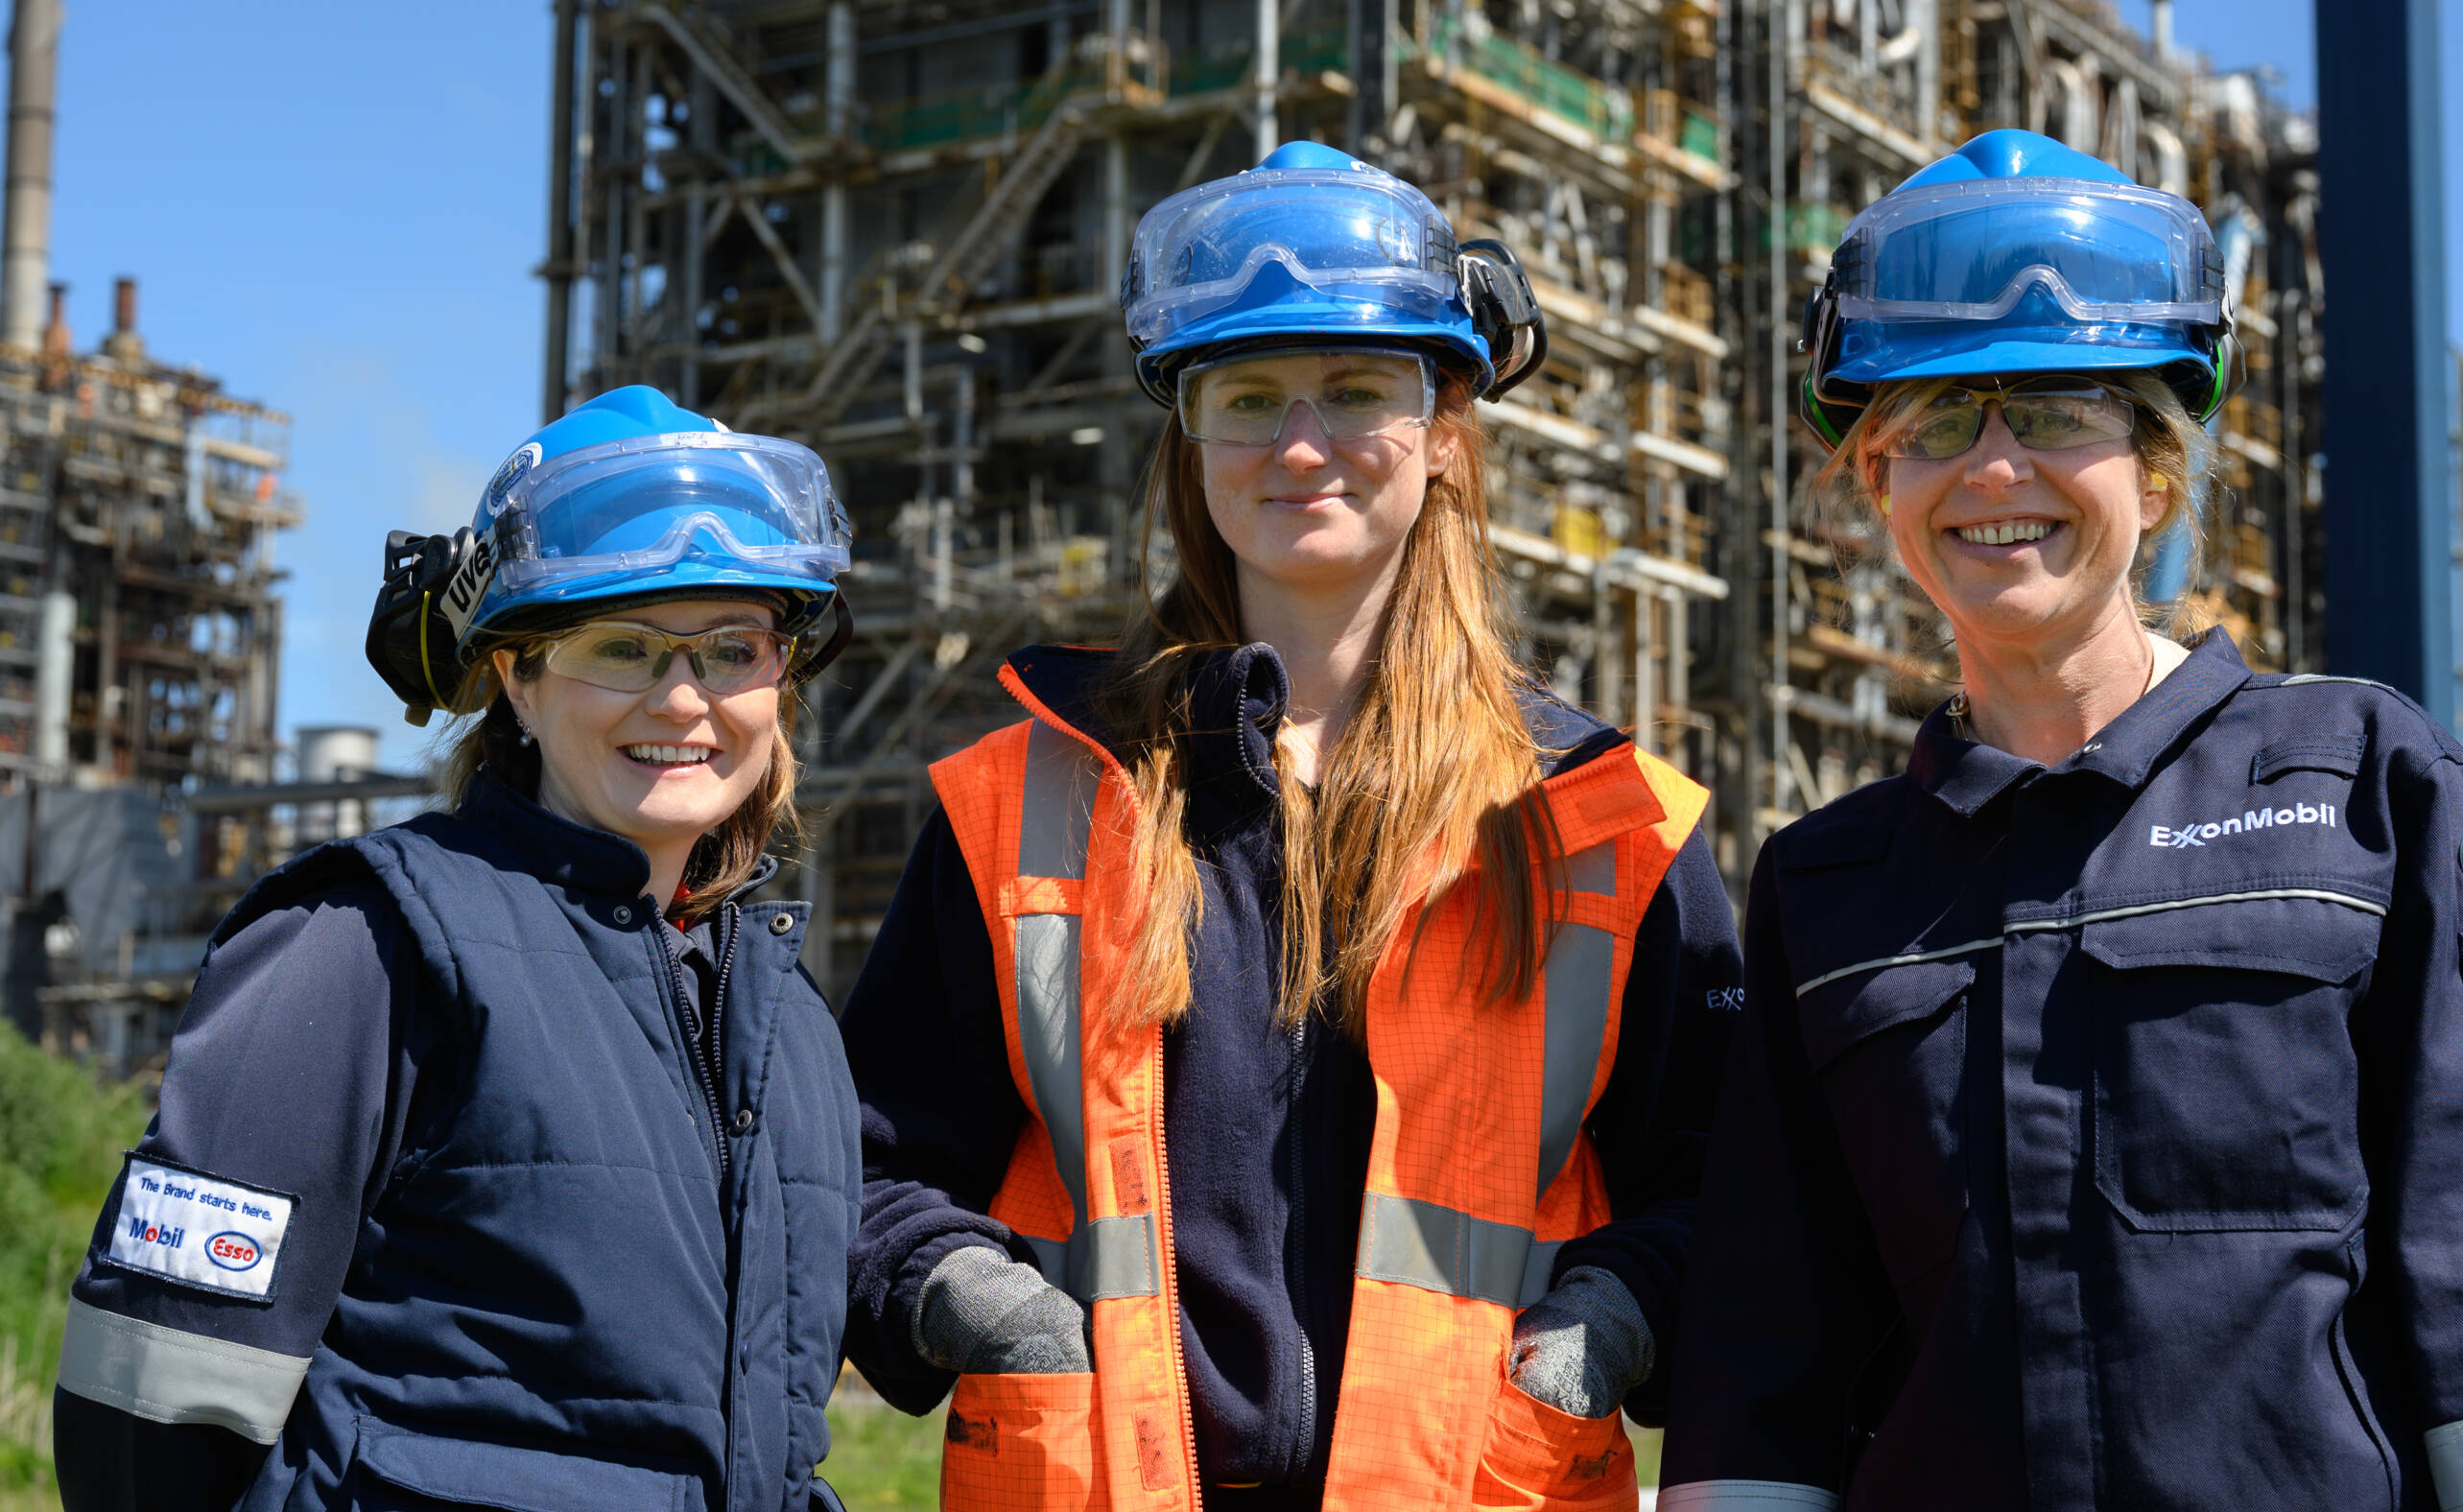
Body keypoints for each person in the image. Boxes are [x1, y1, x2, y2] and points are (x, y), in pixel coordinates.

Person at [1661, 130, 2463, 1512]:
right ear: (1876, 481)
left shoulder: (2364, 787)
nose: (1993, 469)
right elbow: (1766, 1356)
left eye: (2058, 405)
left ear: (2158, 462)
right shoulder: (1828, 890)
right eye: (1938, 421)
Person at [840, 141, 1741, 1510]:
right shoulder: (1025, 804)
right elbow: (863, 1164)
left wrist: (1613, 1318)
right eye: (1246, 397)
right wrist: (962, 1296)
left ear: (1446, 429)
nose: (1299, 443)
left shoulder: (1598, 822)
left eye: (1357, 389)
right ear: (1187, 433)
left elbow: (1729, 1186)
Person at [52, 386, 863, 1511]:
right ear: (515, 678)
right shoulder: (364, 947)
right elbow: (152, 1412)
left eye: (732, 648)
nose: (684, 700)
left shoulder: (782, 1010)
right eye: (620, 646)